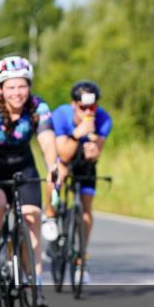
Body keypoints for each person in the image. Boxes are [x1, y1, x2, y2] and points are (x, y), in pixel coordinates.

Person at [0, 55, 64, 307]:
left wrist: (53, 167)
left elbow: (47, 141)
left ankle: (34, 283)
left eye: (22, 86)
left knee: (32, 218)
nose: (17, 93)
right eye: (10, 87)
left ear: (29, 86)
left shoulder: (37, 107)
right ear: (0, 89)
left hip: (22, 165)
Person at [42, 80, 113, 283]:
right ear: (74, 104)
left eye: (93, 107)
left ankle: (81, 260)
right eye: (83, 107)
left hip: (84, 162)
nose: (89, 111)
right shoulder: (61, 115)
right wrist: (77, 134)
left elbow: (96, 153)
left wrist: (93, 149)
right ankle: (50, 215)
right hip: (63, 154)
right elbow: (63, 153)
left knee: (86, 210)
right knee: (56, 175)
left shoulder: (103, 119)